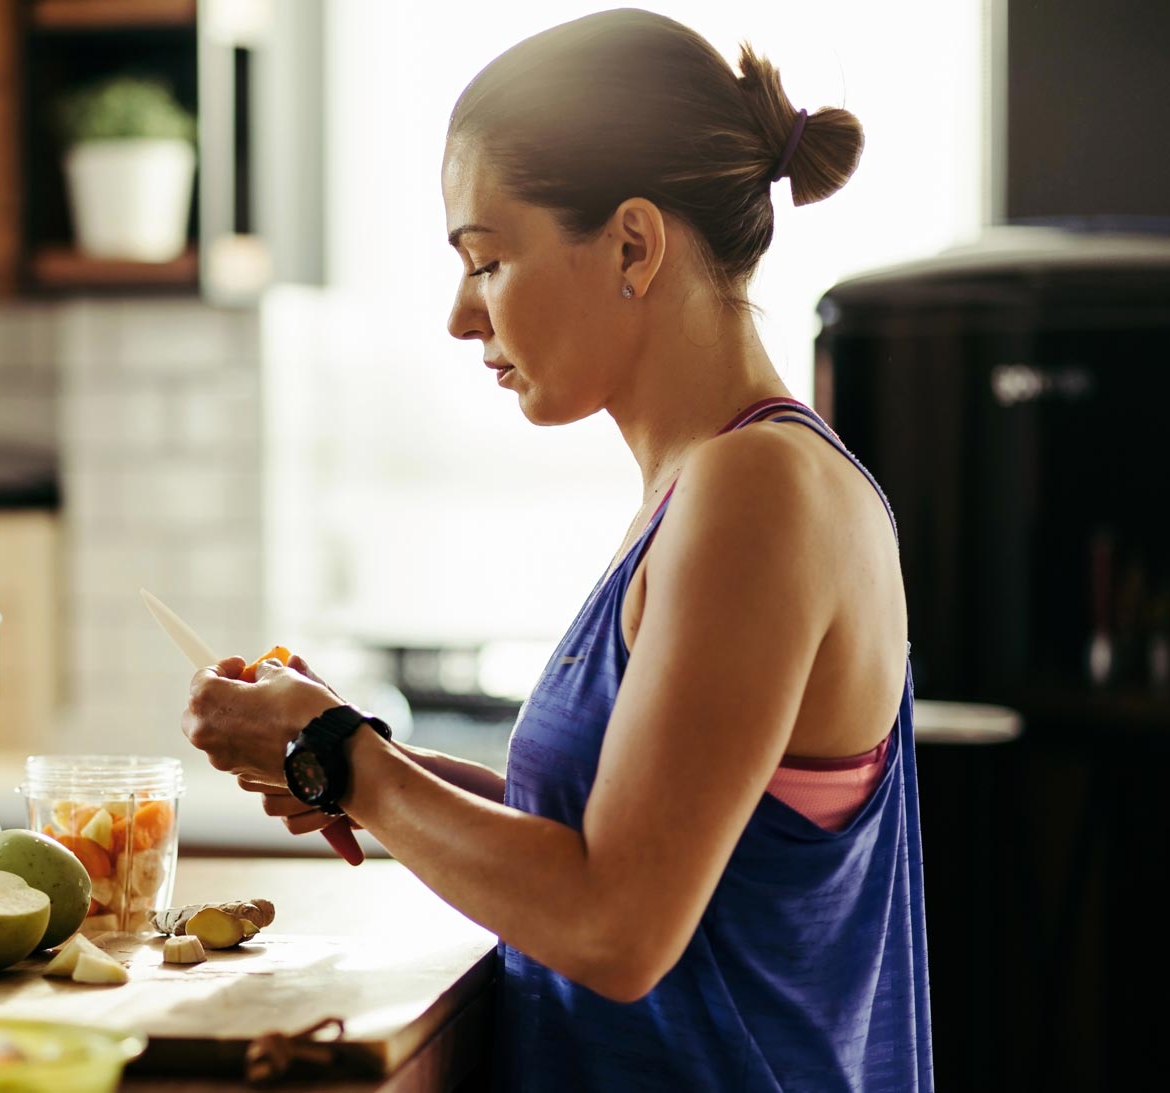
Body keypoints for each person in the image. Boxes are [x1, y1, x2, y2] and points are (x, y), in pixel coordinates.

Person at [181, 8, 931, 1090]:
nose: (460, 315)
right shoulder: (708, 486)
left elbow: (616, 924)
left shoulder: (758, 490)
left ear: (633, 244)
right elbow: (612, 836)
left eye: (486, 260)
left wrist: (342, 757)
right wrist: (351, 756)